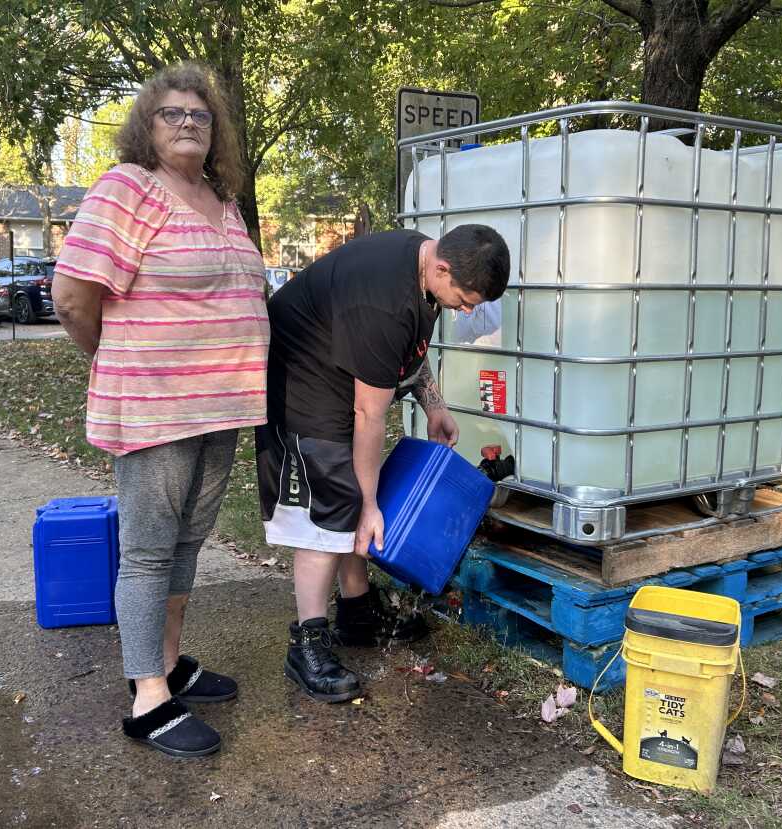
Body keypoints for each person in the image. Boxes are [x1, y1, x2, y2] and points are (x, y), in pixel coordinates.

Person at [52, 62, 269, 757]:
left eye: (199, 116)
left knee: (184, 544)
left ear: (216, 132)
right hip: (156, 404)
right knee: (147, 551)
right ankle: (147, 696)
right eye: (171, 114)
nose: (187, 124)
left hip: (220, 405)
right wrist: (117, 357)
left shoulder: (221, 198)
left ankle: (169, 664)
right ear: (148, 125)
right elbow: (71, 297)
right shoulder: (128, 189)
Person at [256, 224, 510, 702]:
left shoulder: (424, 268)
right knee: (329, 512)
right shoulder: (382, 302)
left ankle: (357, 612)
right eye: (466, 298)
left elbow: (411, 349)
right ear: (443, 267)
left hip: (339, 373)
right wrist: (370, 504)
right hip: (300, 383)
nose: (469, 309)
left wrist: (434, 403)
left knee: (351, 493)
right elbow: (369, 414)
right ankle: (306, 646)